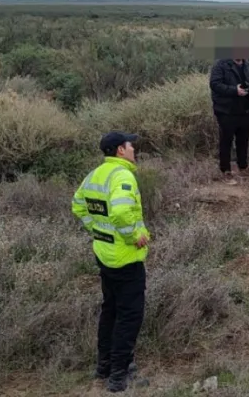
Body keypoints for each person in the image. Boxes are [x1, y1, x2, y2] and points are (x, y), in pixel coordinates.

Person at [71, 131, 151, 392]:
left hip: (104, 255)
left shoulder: (95, 175)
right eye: (130, 145)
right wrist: (134, 236)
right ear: (119, 150)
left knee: (111, 310)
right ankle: (118, 375)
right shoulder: (122, 175)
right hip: (126, 258)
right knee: (129, 316)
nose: (133, 149)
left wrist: (97, 231)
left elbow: (78, 205)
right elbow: (119, 212)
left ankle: (104, 366)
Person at [209, 56, 249, 182]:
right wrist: (234, 90)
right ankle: (225, 171)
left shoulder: (248, 65)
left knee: (243, 141)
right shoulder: (220, 64)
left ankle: (243, 168)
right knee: (226, 141)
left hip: (244, 111)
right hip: (226, 111)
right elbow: (214, 84)